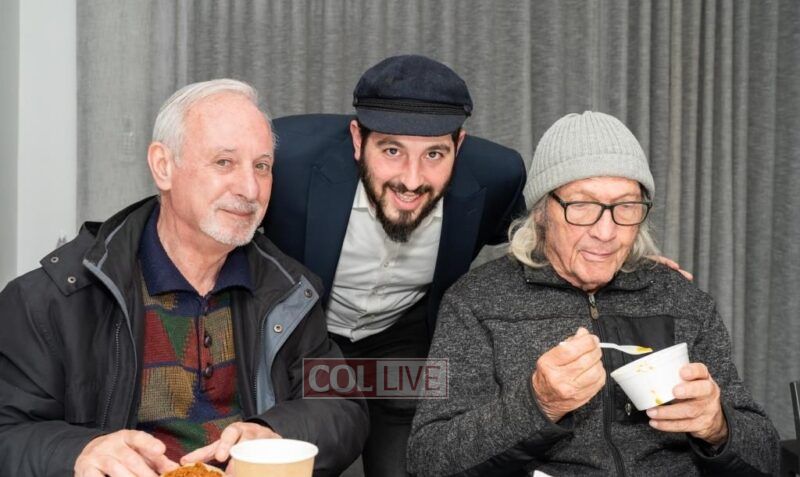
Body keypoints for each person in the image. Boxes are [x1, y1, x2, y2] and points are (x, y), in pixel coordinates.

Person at [0, 79, 368, 477]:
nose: (250, 189)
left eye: (261, 166)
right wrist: (79, 452)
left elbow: (343, 407)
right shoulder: (54, 299)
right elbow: (9, 431)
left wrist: (274, 432)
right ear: (163, 166)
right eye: (224, 162)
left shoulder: (289, 291)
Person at [406, 111, 779, 476]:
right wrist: (538, 404)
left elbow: (767, 455)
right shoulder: (476, 302)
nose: (606, 232)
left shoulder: (681, 299)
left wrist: (718, 427)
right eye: (582, 206)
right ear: (542, 212)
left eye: (626, 207)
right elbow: (429, 457)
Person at [262, 55, 527, 476]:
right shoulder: (285, 159)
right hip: (305, 339)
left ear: (459, 146)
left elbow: (535, 248)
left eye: (434, 154)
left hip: (401, 344)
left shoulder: (498, 176)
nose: (412, 179)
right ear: (357, 139)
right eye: (391, 150)